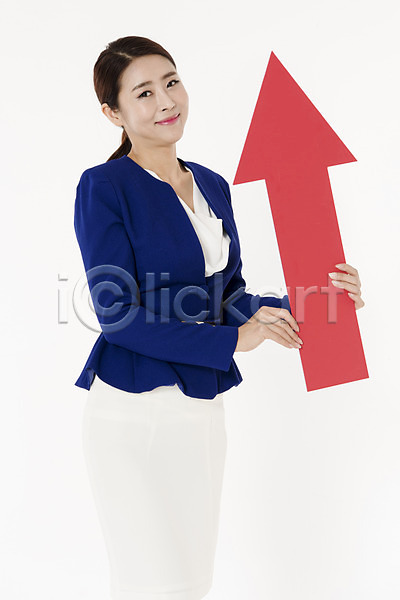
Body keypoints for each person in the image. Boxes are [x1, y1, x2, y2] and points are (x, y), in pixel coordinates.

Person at [74, 35, 365, 600]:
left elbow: (228, 296)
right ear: (113, 113)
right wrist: (233, 341)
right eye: (144, 92)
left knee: (191, 584)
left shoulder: (210, 184)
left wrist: (320, 301)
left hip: (201, 410)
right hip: (133, 414)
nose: (166, 100)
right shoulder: (104, 187)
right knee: (149, 583)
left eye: (172, 82)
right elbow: (116, 314)